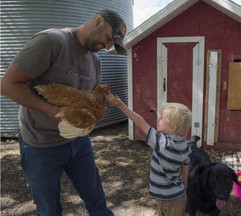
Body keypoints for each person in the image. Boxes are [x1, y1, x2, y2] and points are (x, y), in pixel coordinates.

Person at [0, 9, 127, 216]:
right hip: (42, 144)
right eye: (109, 38)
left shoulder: (96, 60)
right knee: (49, 209)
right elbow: (7, 85)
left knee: (97, 202)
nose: (108, 46)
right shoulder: (52, 41)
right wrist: (55, 111)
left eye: (113, 44)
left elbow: (88, 99)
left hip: (79, 142)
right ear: (98, 21)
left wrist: (102, 101)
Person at [107, 94, 192, 216]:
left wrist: (121, 105)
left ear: (173, 127)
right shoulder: (185, 144)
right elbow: (186, 164)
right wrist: (185, 182)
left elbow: (139, 121)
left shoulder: (162, 143)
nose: (158, 119)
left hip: (169, 200)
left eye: (162, 118)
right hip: (178, 196)